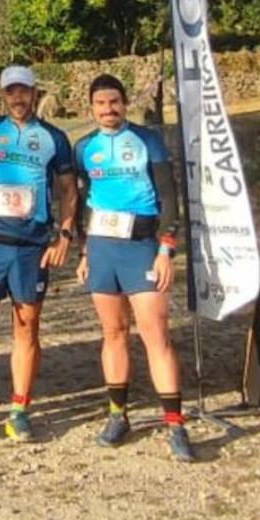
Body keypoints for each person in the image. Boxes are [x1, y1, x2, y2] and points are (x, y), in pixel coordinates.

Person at [73, 74, 195, 462]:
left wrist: (166, 249)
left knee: (156, 335)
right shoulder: (84, 147)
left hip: (143, 247)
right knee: (113, 333)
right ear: (91, 108)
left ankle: (175, 424)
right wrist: (85, 253)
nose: (108, 110)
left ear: (124, 103)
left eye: (114, 102)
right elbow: (83, 204)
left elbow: (169, 197)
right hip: (102, 249)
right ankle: (117, 416)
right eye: (100, 104)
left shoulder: (147, 140)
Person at [0, 65, 77, 445]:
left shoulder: (54, 138)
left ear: (35, 92)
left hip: (31, 249)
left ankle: (19, 410)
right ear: (2, 95)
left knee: (26, 329)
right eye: (11, 92)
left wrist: (65, 236)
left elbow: (69, 190)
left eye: (24, 91)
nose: (18, 98)